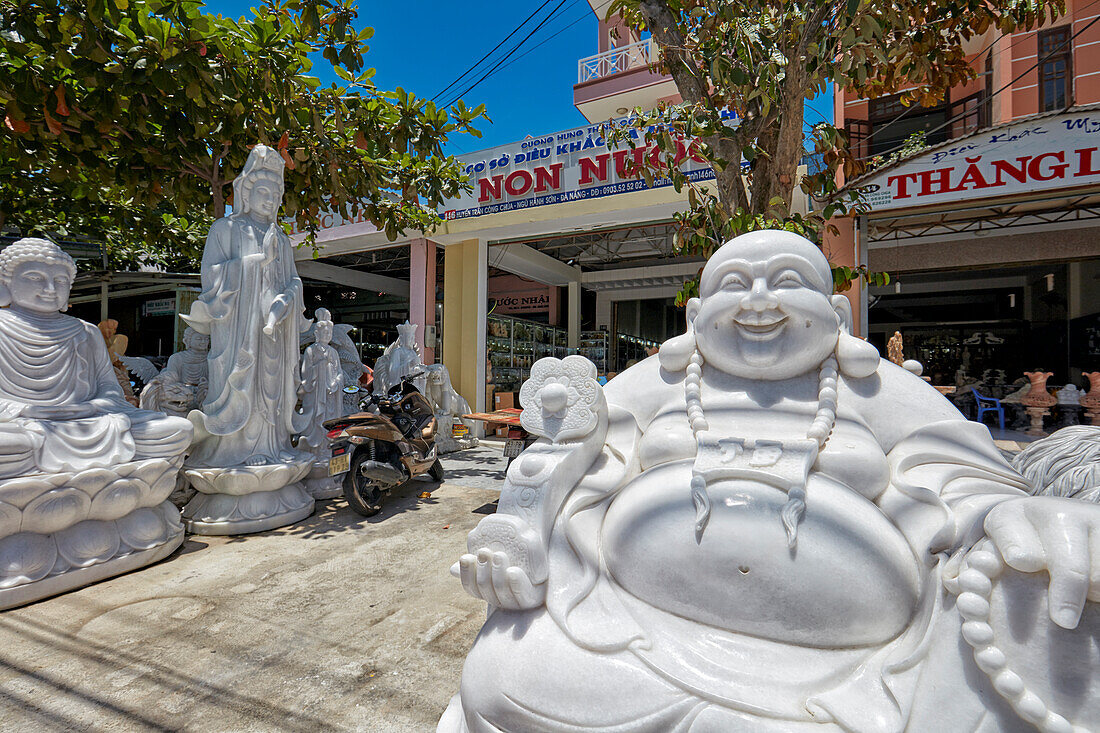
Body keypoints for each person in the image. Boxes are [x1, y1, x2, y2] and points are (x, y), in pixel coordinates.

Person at [442, 230, 1100, 732]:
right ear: (697, 313)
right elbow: (568, 458)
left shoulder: (878, 389)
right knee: (499, 676)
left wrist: (1019, 516)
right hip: (635, 631)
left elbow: (961, 479)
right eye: (735, 283)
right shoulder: (658, 381)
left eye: (785, 280)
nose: (758, 301)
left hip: (855, 658)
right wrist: (516, 535)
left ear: (834, 312)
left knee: (1037, 620)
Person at [0, 238, 192, 478]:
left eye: (60, 281)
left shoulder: (86, 331)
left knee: (177, 429)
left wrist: (95, 406)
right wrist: (32, 411)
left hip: (92, 422)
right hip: (26, 425)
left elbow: (109, 387)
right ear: (5, 283)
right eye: (35, 278)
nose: (50, 288)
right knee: (7, 445)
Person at [183, 144, 310, 467]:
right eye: (264, 192)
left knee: (273, 389)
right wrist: (256, 262)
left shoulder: (280, 237)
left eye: (276, 196)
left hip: (275, 329)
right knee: (245, 383)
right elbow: (211, 277)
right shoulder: (225, 229)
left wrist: (287, 297)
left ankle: (272, 447)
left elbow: (293, 279)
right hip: (241, 329)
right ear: (246, 193)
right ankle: (237, 451)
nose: (270, 201)